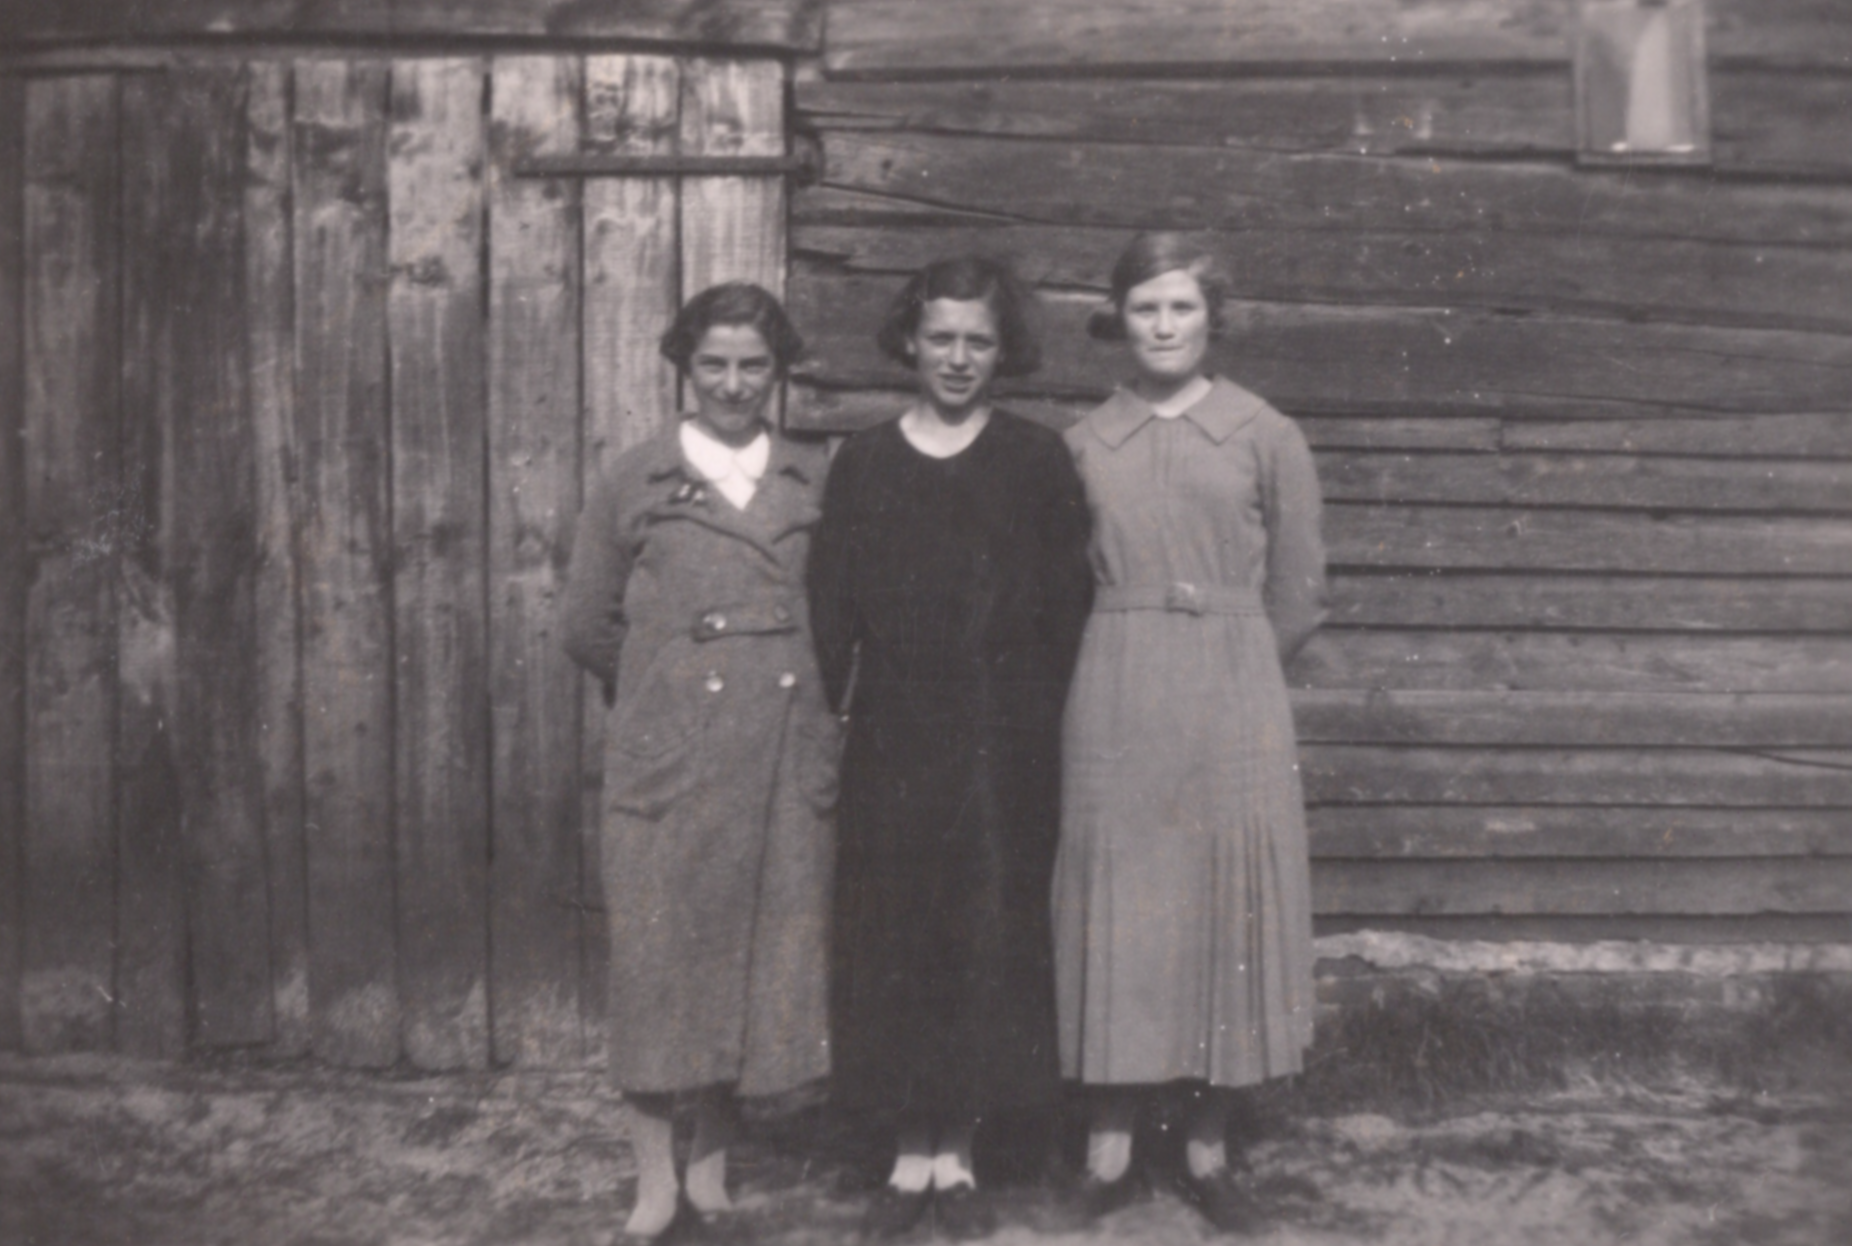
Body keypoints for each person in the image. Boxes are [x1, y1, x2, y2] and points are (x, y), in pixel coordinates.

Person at [807, 256, 1094, 1241]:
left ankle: (961, 1152)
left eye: (978, 340)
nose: (959, 357)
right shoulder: (865, 461)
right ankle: (906, 1151)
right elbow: (831, 607)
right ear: (910, 341)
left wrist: (1031, 715)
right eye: (941, 338)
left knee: (983, 932)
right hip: (895, 732)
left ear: (1002, 349)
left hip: (1003, 737)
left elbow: (1066, 607)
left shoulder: (1035, 460)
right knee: (897, 933)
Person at [1053, 233, 1327, 1234]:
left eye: (1181, 308)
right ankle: (1109, 1139)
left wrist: (1232, 655)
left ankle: (1208, 1142)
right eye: (1144, 309)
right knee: (1118, 899)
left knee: (1225, 898)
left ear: (1213, 318)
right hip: (1115, 681)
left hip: (1231, 683)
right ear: (1118, 320)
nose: (1163, 327)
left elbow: (1298, 591)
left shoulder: (1265, 433)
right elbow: (1060, 579)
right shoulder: (1084, 442)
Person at [562, 282, 838, 1240]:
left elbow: (838, 614)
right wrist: (667, 693)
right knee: (656, 962)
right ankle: (653, 1182)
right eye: (713, 363)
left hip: (780, 757)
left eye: (753, 365)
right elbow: (587, 624)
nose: (732, 383)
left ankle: (711, 1167)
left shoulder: (811, 477)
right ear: (684, 366)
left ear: (778, 371)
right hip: (673, 761)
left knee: (747, 957)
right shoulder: (635, 478)